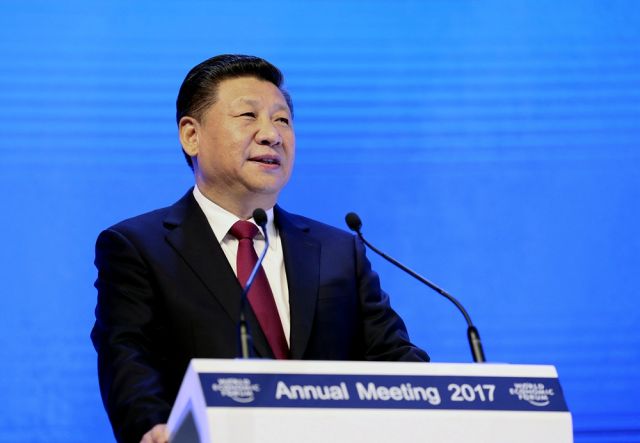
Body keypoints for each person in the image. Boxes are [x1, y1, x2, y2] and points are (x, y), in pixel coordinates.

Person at [91, 54, 429, 443]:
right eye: (248, 116)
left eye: (282, 120)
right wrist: (152, 427)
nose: (271, 134)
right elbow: (129, 358)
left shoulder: (339, 251)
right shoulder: (139, 247)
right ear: (191, 135)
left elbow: (396, 363)